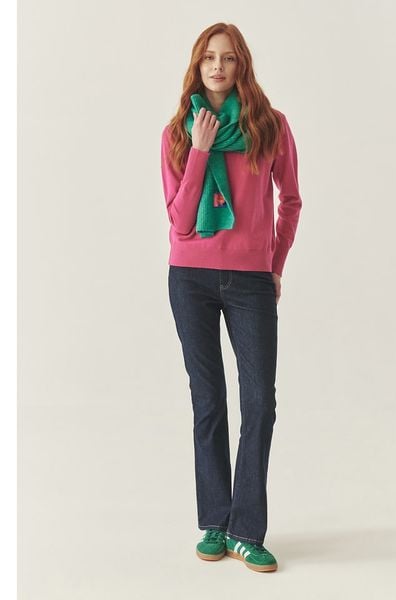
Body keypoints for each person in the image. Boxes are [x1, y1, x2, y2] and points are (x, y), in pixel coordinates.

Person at [160, 22, 302, 573]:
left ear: (242, 65)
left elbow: (290, 201)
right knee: (208, 400)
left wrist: (275, 265)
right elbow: (180, 222)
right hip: (189, 279)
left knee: (260, 403)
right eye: (208, 58)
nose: (218, 67)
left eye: (229, 58)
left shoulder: (270, 126)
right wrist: (199, 151)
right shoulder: (177, 133)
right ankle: (215, 522)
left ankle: (247, 529)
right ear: (197, 67)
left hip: (250, 281)